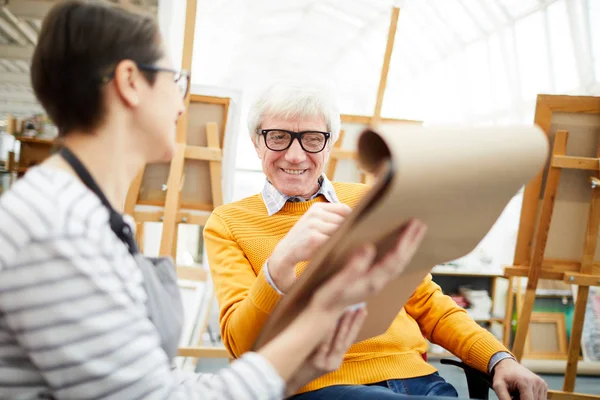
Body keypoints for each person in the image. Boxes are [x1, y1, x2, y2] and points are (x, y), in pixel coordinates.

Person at [0, 2, 430, 399]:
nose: (182, 104)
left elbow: (153, 381)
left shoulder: (81, 214)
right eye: (175, 79)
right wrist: (319, 317)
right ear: (131, 82)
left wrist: (296, 368)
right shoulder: (60, 228)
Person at [203, 80, 549, 400]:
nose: (295, 155)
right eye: (278, 137)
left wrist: (498, 359)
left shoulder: (372, 200)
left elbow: (428, 303)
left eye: (311, 138)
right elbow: (241, 345)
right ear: (256, 142)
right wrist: (281, 263)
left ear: (330, 144)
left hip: (420, 381)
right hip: (321, 386)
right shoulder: (229, 222)